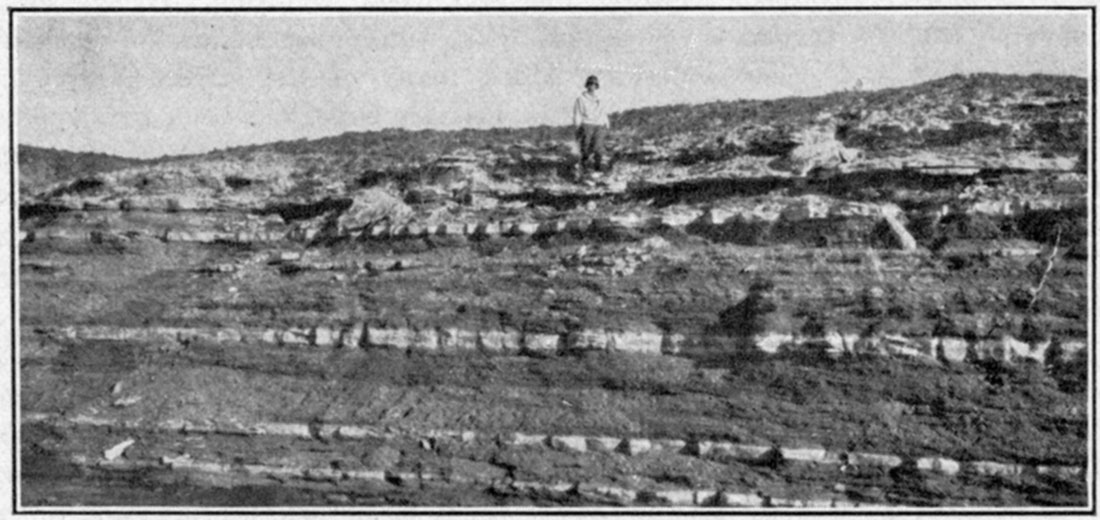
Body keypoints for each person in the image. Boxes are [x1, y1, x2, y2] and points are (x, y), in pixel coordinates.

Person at [573, 75, 610, 178]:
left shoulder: (600, 99)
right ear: (587, 85)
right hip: (587, 124)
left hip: (599, 125)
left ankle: (597, 171)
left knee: (598, 149)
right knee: (585, 148)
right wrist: (577, 126)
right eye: (590, 84)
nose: (592, 86)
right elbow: (577, 113)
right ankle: (583, 170)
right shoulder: (580, 99)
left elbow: (603, 112)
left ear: (596, 86)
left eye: (594, 84)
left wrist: (606, 123)